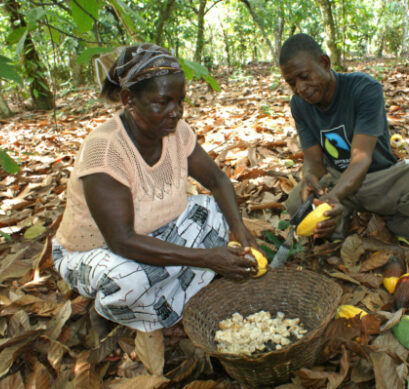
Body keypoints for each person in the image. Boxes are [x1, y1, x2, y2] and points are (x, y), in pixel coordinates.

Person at [52, 44, 259, 332]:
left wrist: (240, 230)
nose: (175, 113)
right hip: (96, 250)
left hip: (158, 232)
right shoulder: (106, 149)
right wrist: (205, 258)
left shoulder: (177, 131)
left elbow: (216, 180)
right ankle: (111, 309)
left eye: (180, 101)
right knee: (130, 280)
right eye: (162, 102)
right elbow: (121, 240)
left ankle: (166, 287)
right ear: (129, 99)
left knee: (216, 212)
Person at [279, 34, 409, 242]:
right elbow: (313, 160)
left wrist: (334, 197)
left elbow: (362, 158)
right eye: (291, 83)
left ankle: (395, 232)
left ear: (324, 63)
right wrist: (309, 178)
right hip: (335, 179)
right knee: (296, 205)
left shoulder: (364, 89)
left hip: (376, 178)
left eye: (304, 76)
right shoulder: (299, 104)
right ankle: (338, 225)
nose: (300, 88)